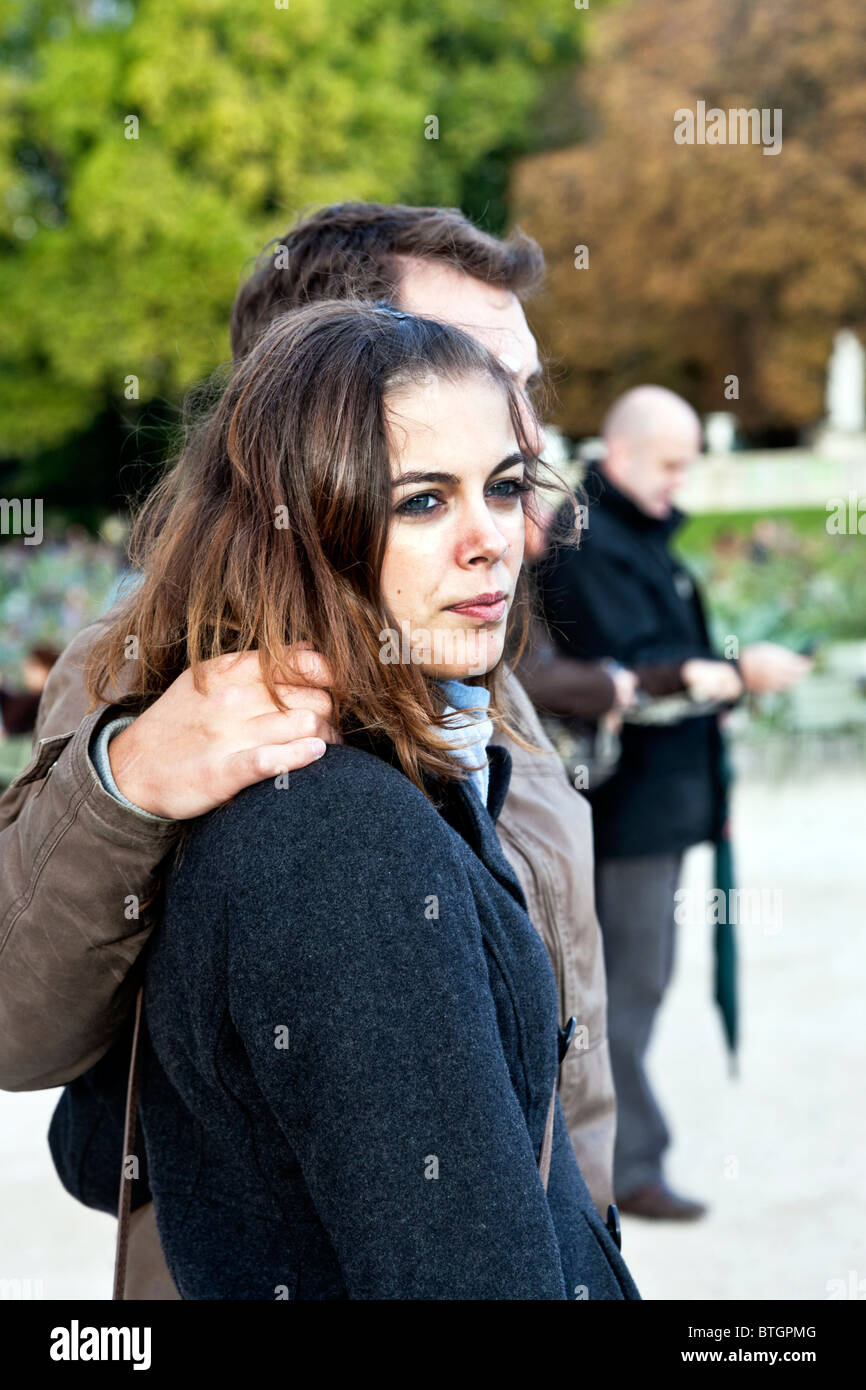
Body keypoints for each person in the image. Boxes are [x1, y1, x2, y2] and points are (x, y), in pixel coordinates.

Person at [0, 204, 617, 1291]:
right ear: (318, 395)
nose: (526, 430)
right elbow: (19, 1027)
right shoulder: (150, 666)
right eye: (474, 371)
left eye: (524, 387)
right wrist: (122, 783)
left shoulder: (463, 658)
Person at [537, 385, 810, 1220]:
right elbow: (642, 667)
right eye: (670, 464)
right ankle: (617, 1170)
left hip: (657, 802)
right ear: (619, 456)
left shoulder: (627, 532)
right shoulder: (592, 542)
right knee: (625, 985)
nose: (680, 482)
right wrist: (737, 672)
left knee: (632, 982)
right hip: (627, 809)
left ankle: (612, 1161)